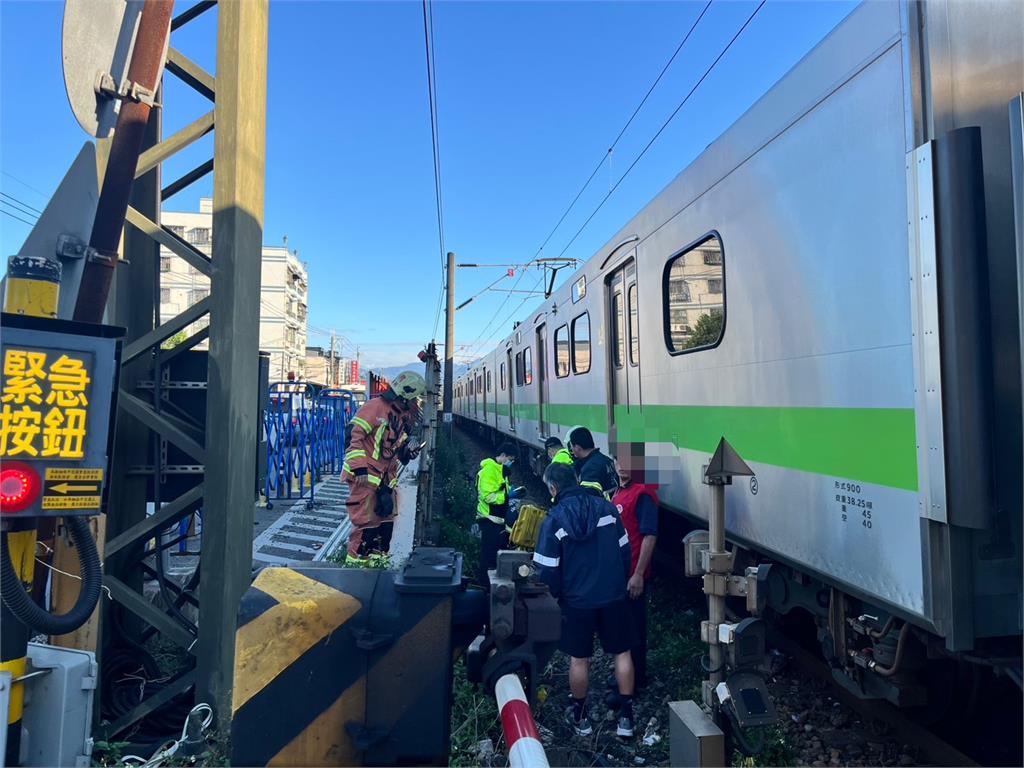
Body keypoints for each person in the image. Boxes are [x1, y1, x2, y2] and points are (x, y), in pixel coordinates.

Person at [532, 462, 636, 738]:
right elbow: (625, 553)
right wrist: (617, 581)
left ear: (553, 488)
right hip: (613, 596)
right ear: (576, 479)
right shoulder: (607, 509)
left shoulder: (554, 520)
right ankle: (626, 719)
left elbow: (547, 571)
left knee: (580, 658)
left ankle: (580, 717)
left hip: (577, 602)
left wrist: (555, 595)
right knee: (622, 653)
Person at [341, 370, 425, 565]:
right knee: (366, 526)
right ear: (407, 394)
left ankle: (376, 567)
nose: (416, 404)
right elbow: (353, 437)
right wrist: (360, 468)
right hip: (366, 477)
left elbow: (394, 448)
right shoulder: (375, 408)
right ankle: (356, 570)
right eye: (415, 399)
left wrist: (406, 454)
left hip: (384, 480)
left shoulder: (401, 416)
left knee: (385, 526)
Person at [610, 455, 659, 692]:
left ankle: (636, 679)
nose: (622, 468)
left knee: (634, 630)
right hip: (619, 574)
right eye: (618, 463)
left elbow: (649, 535)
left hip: (633, 575)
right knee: (623, 627)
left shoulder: (642, 494)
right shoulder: (620, 492)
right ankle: (625, 676)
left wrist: (639, 574)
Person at [476, 442, 523, 588]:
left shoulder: (500, 470)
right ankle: (485, 587)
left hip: (498, 521)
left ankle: (494, 585)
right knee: (488, 558)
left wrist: (511, 494)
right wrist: (508, 496)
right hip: (489, 520)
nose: (511, 462)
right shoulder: (490, 470)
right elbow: (488, 496)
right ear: (502, 456)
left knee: (496, 555)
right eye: (510, 459)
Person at [567, 426, 619, 499]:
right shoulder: (607, 460)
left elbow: (589, 500)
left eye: (572, 446)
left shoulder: (590, 469)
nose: (571, 449)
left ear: (578, 447)